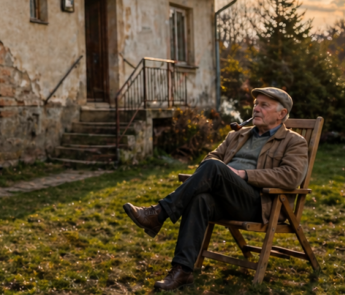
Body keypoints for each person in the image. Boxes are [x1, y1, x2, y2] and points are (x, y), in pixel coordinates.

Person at [123, 87, 307, 290]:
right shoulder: (237, 135)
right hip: (226, 197)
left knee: (214, 168)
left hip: (257, 203)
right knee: (199, 199)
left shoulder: (294, 142)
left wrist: (244, 175)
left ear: (281, 114)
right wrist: (223, 172)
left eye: (264, 105)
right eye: (256, 104)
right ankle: (182, 271)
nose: (256, 109)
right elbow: (210, 158)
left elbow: (291, 176)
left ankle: (159, 214)